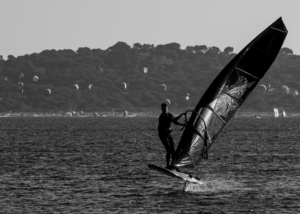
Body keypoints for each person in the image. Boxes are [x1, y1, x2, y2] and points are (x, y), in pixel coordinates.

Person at [158, 103, 184, 170]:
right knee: (169, 150)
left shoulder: (169, 115)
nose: (164, 109)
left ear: (167, 108)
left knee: (173, 151)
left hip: (168, 135)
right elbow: (162, 126)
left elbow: (175, 121)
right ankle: (167, 165)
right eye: (162, 108)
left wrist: (183, 124)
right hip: (163, 135)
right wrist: (167, 129)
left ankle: (173, 165)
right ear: (161, 109)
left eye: (165, 108)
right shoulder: (161, 117)